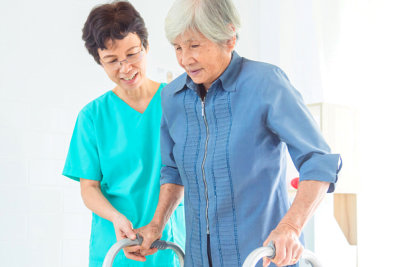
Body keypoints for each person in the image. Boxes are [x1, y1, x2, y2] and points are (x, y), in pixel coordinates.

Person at [133, 0, 342, 267]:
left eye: (194, 45)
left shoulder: (266, 83)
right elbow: (172, 172)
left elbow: (318, 161)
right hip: (198, 259)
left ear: (229, 38)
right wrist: (157, 224)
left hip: (260, 257)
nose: (185, 59)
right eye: (178, 47)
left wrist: (290, 226)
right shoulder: (172, 97)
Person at [62, 1, 185, 266]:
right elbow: (89, 189)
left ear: (146, 46)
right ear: (100, 62)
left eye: (132, 54)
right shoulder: (92, 117)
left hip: (168, 242)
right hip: (116, 246)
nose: (125, 68)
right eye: (112, 61)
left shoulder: (177, 103)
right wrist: (117, 218)